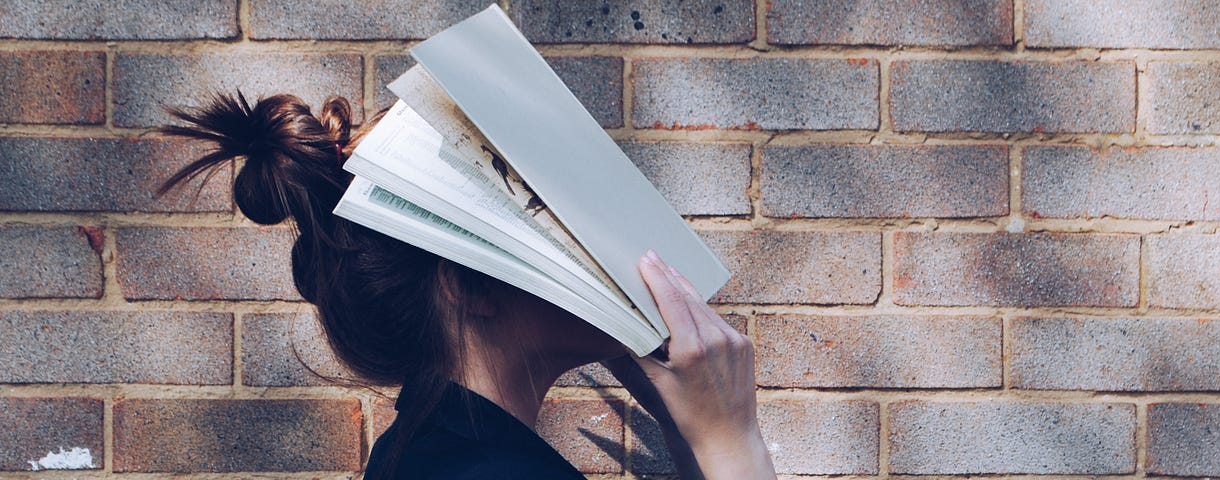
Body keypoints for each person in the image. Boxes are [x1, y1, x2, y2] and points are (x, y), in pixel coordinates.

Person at [157, 91, 777, 479]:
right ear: (468, 283)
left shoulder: (428, 454)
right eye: (552, 219)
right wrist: (732, 443)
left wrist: (684, 434)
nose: (602, 240)